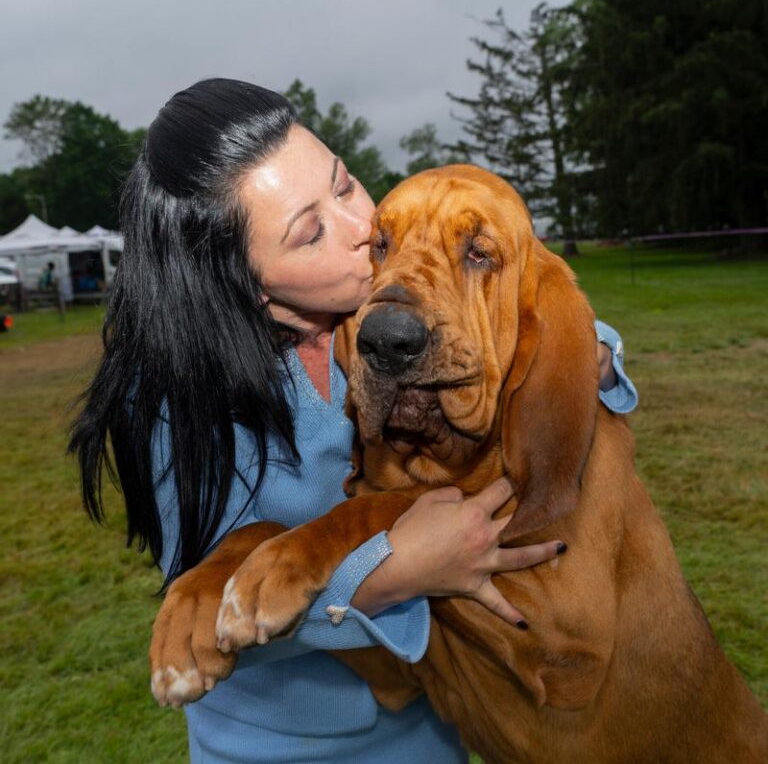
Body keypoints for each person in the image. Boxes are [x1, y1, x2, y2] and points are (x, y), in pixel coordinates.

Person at [69, 79, 638, 764]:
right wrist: (399, 572)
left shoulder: (381, 307)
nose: (362, 231)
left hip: (436, 732)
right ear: (247, 281)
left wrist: (597, 355)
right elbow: (215, 635)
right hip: (275, 748)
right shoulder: (167, 400)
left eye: (344, 186)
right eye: (310, 232)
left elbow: (523, 311)